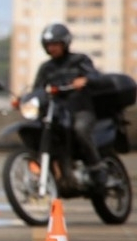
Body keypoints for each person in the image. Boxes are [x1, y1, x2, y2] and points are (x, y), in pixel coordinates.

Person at [31, 22, 106, 188]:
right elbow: (37, 90)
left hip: (80, 109)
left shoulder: (79, 60)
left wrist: (84, 80)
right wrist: (24, 99)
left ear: (65, 43)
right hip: (57, 112)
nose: (52, 48)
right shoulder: (46, 68)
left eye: (55, 44)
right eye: (49, 45)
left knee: (80, 129)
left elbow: (95, 76)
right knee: (41, 130)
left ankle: (97, 168)